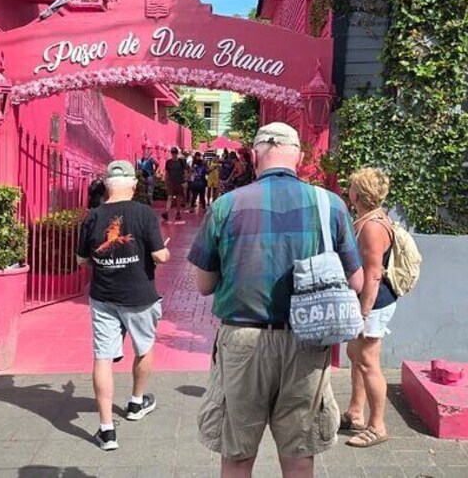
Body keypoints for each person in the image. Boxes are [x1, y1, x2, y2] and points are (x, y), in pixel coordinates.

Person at [187, 123, 364, 478]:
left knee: (238, 456)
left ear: (254, 157)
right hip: (306, 342)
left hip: (243, 343)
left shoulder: (226, 206)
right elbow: (356, 281)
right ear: (298, 157)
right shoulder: (330, 204)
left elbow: (204, 284)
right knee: (298, 456)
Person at [77, 161, 170, 451]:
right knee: (144, 347)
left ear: (107, 185)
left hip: (103, 296)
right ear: (133, 184)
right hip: (139, 295)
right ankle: (136, 403)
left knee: (103, 357)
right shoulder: (144, 213)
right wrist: (163, 252)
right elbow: (160, 256)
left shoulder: (93, 216)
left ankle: (107, 430)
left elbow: (82, 260)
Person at [342, 167, 397, 448]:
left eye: (351, 186)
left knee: (367, 362)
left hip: (373, 303)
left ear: (358, 194)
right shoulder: (369, 218)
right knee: (356, 356)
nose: (348, 190)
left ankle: (377, 426)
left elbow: (373, 274)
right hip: (368, 300)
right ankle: (355, 412)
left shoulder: (372, 227)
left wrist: (363, 314)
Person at [162, 147, 187, 222]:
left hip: (179, 182)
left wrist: (185, 181)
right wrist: (165, 181)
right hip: (171, 182)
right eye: (172, 153)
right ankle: (166, 212)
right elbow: (166, 172)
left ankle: (178, 212)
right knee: (170, 197)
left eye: (175, 153)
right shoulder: (168, 162)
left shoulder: (181, 162)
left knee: (178, 198)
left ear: (177, 153)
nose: (173, 154)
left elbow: (185, 172)